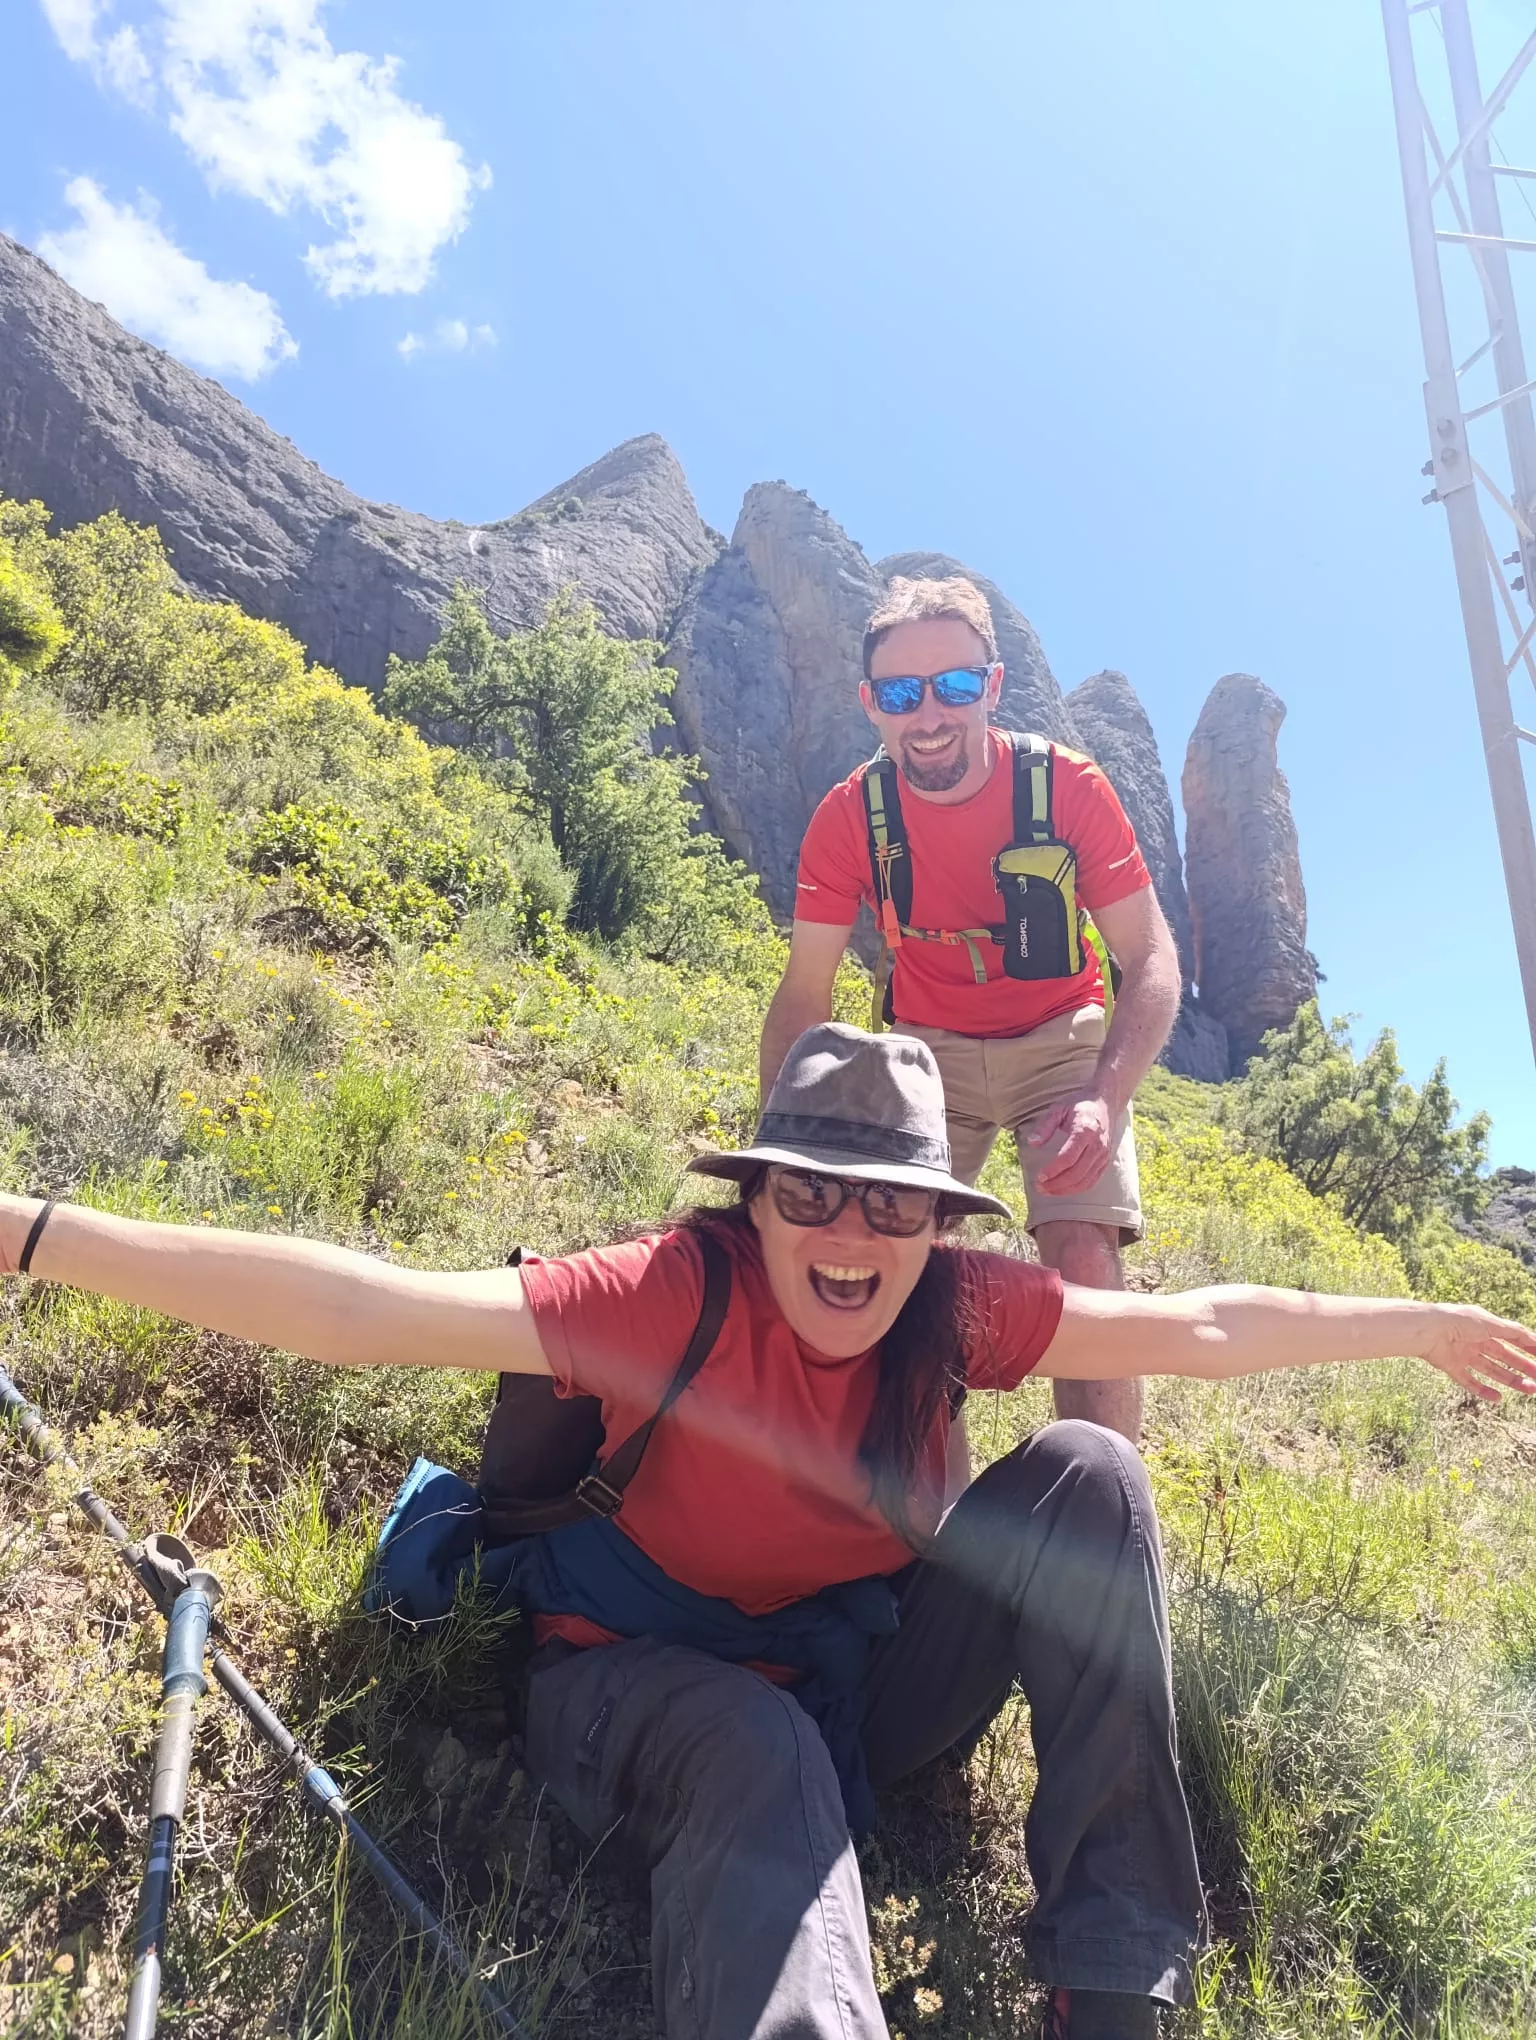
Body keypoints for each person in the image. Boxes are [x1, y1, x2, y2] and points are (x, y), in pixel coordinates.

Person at [5, 1024, 1533, 2040]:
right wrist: (33, 1235)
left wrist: (1419, 1325)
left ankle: (1106, 1980)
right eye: (815, 1190)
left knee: (1091, 1470)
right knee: (756, 1746)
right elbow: (357, 1303)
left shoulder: (955, 1305)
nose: (852, 1235)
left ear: (941, 1223)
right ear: (759, 1196)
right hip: (628, 1683)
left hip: (852, 1680)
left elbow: (1197, 1324)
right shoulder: (676, 1288)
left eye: (897, 1206)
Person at [760, 575, 1183, 1447]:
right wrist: (781, 1158)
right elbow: (804, 994)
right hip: (924, 1053)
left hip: (1061, 1041)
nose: (929, 715)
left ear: (992, 686)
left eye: (954, 686)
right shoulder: (850, 818)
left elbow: (1149, 961)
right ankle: (913, 1508)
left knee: (1083, 1261)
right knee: (892, 1254)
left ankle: (1105, 1512)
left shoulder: (1068, 789)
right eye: (901, 694)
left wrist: (1105, 1097)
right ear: (870, 705)